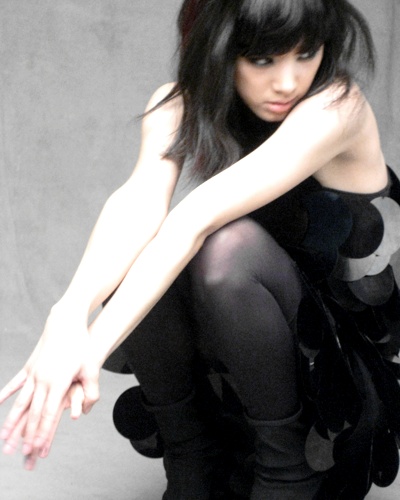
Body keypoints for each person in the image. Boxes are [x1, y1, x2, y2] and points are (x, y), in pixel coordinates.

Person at [1, 0, 400, 498]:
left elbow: (195, 218)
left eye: (306, 53)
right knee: (138, 251)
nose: (288, 81)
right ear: (217, 48)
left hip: (337, 383)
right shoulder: (177, 105)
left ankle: (287, 473)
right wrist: (67, 315)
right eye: (262, 59)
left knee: (224, 249)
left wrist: (89, 348)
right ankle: (191, 460)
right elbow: (138, 204)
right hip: (242, 361)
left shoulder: (337, 106)